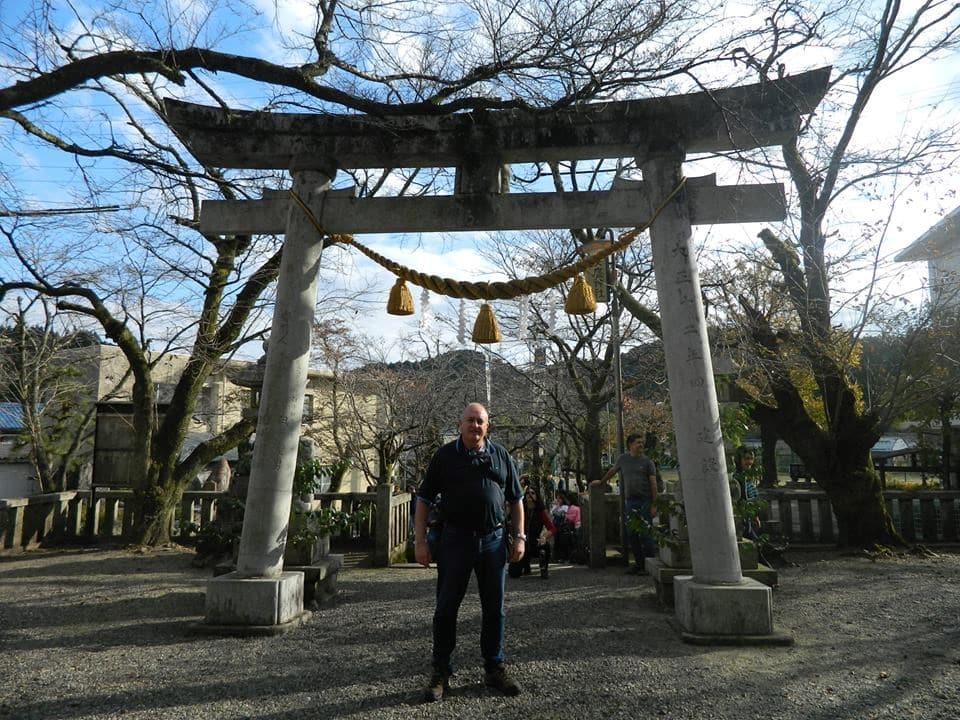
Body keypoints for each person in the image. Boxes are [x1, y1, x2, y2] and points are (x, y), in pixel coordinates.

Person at [414, 402, 525, 702]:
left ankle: (494, 667)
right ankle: (441, 672)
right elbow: (423, 498)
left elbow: (516, 500)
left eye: (481, 421)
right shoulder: (445, 456)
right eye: (470, 421)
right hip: (455, 540)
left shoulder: (501, 456)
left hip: (493, 540)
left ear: (488, 426)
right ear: (459, 423)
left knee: (495, 609)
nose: (475, 426)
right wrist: (420, 541)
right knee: (446, 608)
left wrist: (520, 537)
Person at [592, 432, 661, 574]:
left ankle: (649, 566)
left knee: (646, 535)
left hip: (645, 501)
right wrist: (601, 481)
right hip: (630, 501)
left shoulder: (648, 462)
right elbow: (612, 471)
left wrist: (654, 504)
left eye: (642, 442)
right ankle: (639, 564)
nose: (641, 445)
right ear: (630, 444)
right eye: (638, 442)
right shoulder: (623, 459)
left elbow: (653, 484)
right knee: (632, 534)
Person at [508, 487, 555, 579]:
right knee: (514, 574)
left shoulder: (541, 512)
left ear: (537, 496)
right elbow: (510, 524)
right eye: (527, 493)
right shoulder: (520, 511)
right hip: (522, 543)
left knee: (545, 548)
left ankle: (543, 568)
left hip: (535, 543)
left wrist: (544, 536)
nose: (529, 495)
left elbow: (552, 528)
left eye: (533, 493)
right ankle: (525, 565)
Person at [732, 447, 761, 540]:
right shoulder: (738, 478)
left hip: (748, 518)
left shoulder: (748, 477)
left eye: (751, 458)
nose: (749, 462)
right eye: (746, 458)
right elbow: (743, 499)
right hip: (742, 519)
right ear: (739, 460)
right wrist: (754, 516)